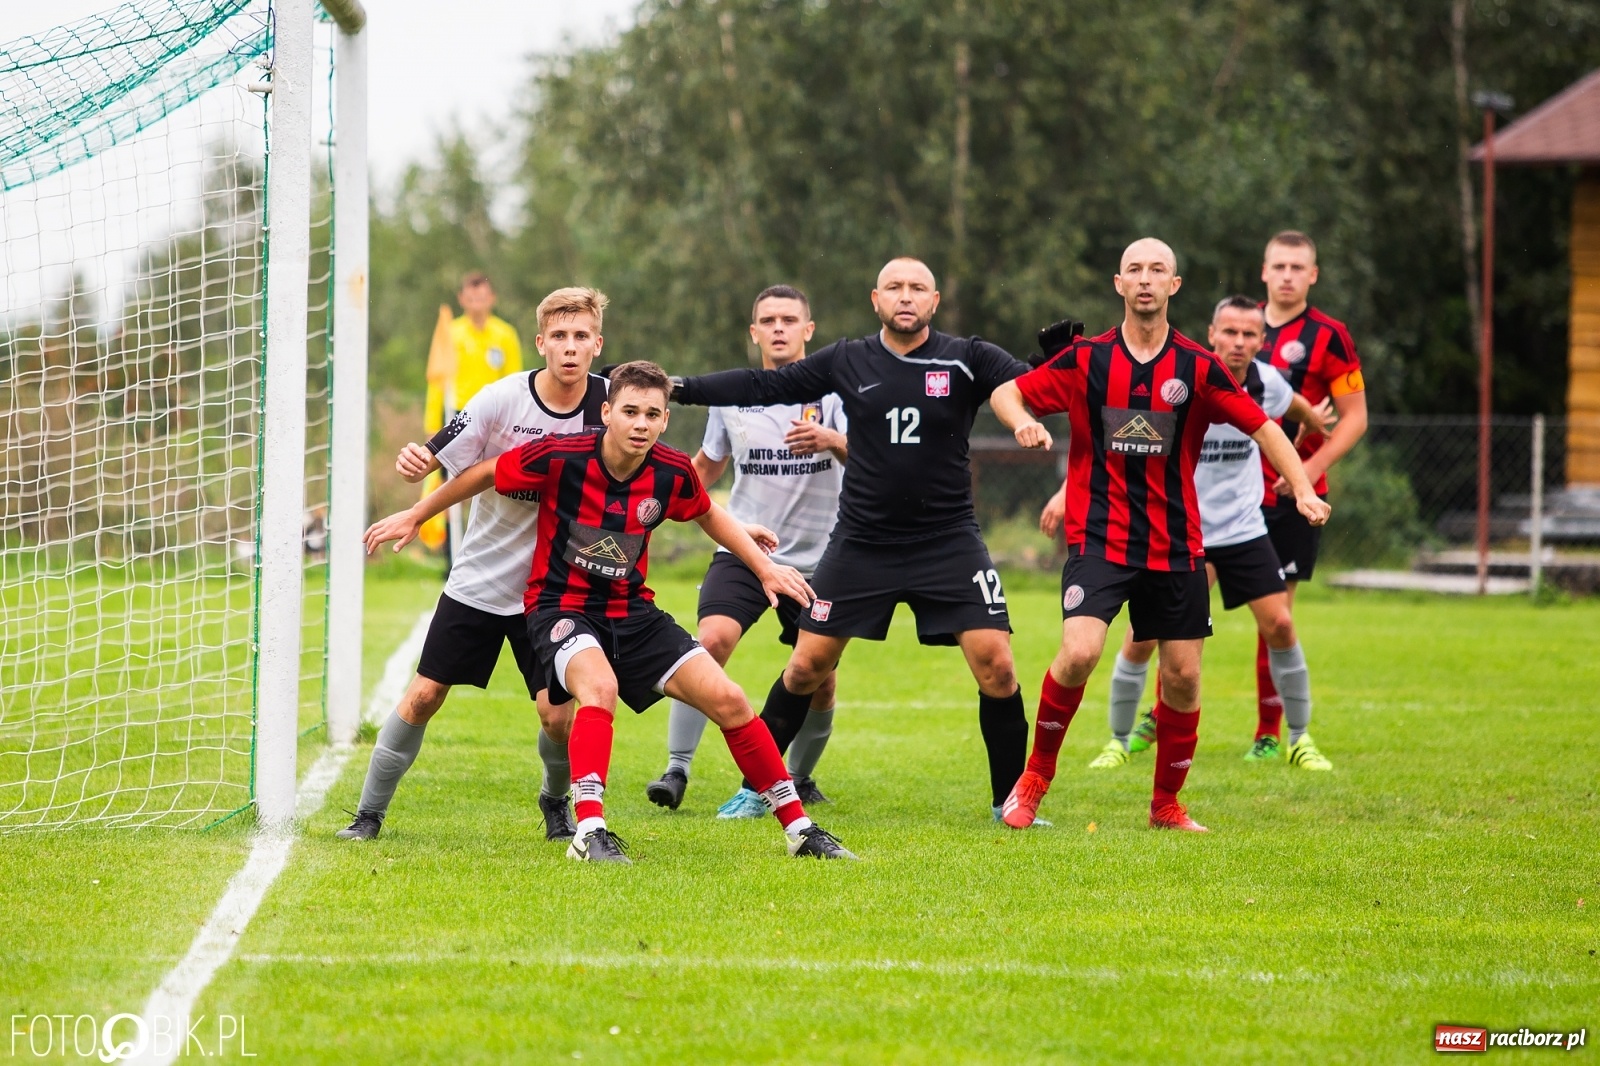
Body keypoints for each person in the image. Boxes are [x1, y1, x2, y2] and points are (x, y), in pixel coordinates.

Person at [363, 361, 856, 863]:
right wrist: (417, 513)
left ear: (665, 421)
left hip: (632, 612)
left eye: (652, 414)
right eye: (630, 412)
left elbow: (707, 512)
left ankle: (799, 829)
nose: (640, 423)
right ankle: (589, 831)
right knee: (599, 689)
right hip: (561, 608)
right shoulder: (560, 456)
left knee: (729, 698)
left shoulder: (670, 470)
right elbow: (488, 471)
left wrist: (764, 568)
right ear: (606, 413)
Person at [669, 257, 1035, 823]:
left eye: (918, 288)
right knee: (807, 666)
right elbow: (763, 384)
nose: (906, 296)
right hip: (863, 541)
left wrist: (1038, 397)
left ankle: (1010, 803)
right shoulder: (848, 359)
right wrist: (679, 387)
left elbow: (1023, 384)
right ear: (876, 299)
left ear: (934, 302)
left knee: (998, 665)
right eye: (894, 287)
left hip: (949, 541)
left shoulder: (968, 357)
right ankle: (758, 787)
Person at [988, 238, 1330, 834]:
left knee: (1184, 676)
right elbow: (1008, 391)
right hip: (1099, 537)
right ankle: (1034, 779)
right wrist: (1022, 423)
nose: (1145, 280)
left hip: (1174, 545)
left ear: (1175, 286)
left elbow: (1266, 428)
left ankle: (1167, 805)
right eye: (1135, 270)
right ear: (1118, 284)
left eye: (1158, 271)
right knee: (1079, 653)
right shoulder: (1088, 359)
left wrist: (1301, 487)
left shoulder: (1199, 366)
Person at [337, 287, 610, 843]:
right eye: (559, 335)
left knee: (558, 717)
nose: (570, 346)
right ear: (540, 343)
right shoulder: (502, 399)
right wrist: (417, 483)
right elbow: (444, 458)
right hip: (482, 578)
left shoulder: (610, 405)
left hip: (554, 591)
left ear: (597, 344)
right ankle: (368, 815)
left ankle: (555, 803)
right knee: (423, 695)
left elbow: (654, 472)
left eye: (581, 335)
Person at [1039, 295, 1336, 772]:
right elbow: (1112, 443)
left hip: (1241, 527)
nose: (1238, 343)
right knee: (1140, 638)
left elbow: (1292, 415)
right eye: (1230, 333)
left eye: (1249, 335)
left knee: (1280, 624)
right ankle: (1121, 738)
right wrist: (1063, 493)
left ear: (1262, 342)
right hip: (1177, 529)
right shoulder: (1188, 374)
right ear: (1212, 334)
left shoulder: (1268, 384)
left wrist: (1308, 443)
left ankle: (1298, 739)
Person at [645, 285, 849, 816]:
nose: (778, 327)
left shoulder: (836, 396)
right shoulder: (732, 394)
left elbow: (871, 463)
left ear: (809, 331)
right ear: (753, 332)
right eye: (767, 319)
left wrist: (832, 440)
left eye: (789, 318)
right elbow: (707, 468)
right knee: (708, 642)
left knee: (819, 679)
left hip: (825, 559)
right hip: (745, 546)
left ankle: (799, 776)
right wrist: (651, 497)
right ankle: (676, 769)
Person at [1251, 231, 1367, 759]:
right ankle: (1158, 717)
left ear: (1313, 275)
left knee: (1276, 616)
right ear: (1264, 272)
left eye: (1299, 267)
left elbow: (1355, 418)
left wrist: (1306, 469)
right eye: (1280, 266)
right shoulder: (1240, 327)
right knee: (1176, 607)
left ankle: (1271, 735)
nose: (1289, 275)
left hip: (1293, 499)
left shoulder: (1331, 337)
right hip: (1226, 496)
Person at [421, 272, 526, 558]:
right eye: (471, 297)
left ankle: (494, 551)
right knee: (450, 488)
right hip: (458, 417)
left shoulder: (504, 334)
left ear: (492, 299)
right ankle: (450, 557)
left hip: (496, 418)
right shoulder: (451, 333)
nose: (477, 302)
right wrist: (433, 424)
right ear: (462, 299)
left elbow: (515, 380)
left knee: (495, 482)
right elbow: (437, 382)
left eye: (482, 297)